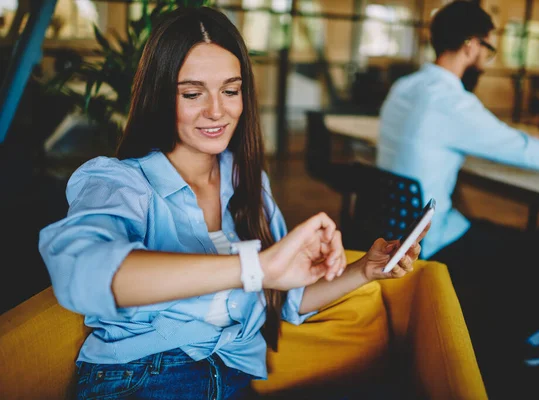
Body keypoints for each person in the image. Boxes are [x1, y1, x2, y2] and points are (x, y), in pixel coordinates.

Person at [38, 7, 426, 400]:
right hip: (144, 377)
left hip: (234, 373)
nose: (217, 111)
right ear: (159, 95)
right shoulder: (120, 181)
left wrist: (365, 271)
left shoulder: (247, 181)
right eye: (192, 93)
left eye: (230, 90)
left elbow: (284, 297)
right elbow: (81, 272)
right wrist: (252, 267)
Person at [376, 0, 539, 394]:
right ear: (470, 45)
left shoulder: (405, 87)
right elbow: (530, 152)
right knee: (533, 252)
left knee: (499, 236)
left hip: (391, 224)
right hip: (429, 238)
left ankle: (511, 327)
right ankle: (532, 343)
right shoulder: (451, 101)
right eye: (488, 49)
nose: (487, 60)